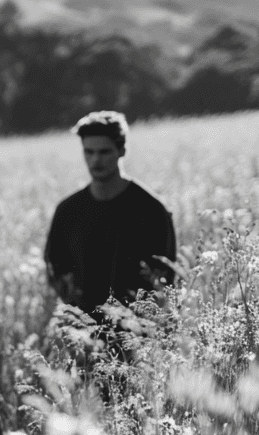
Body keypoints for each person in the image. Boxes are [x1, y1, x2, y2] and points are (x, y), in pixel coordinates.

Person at [44, 110, 176, 315]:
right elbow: (56, 269)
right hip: (84, 331)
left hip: (137, 330)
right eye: (89, 152)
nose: (96, 160)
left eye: (104, 152)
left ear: (122, 150)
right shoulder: (68, 211)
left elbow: (163, 275)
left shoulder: (150, 210)